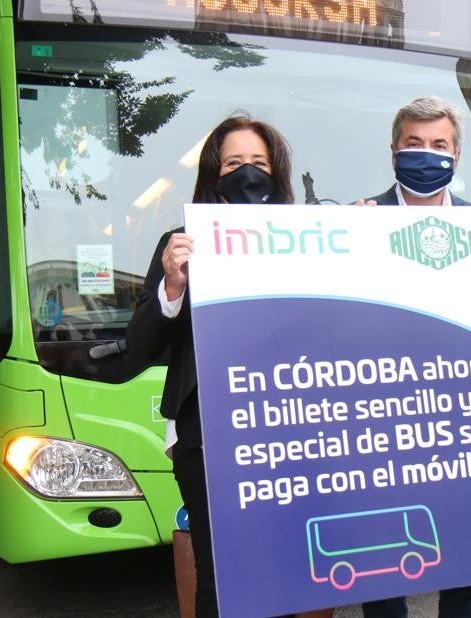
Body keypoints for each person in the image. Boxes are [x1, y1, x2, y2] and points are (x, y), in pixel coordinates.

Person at [126, 114, 295, 618]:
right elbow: (140, 347)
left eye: (259, 163)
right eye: (235, 162)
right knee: (219, 574)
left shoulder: (302, 236)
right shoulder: (181, 244)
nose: (248, 173)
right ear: (213, 174)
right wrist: (171, 288)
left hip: (292, 431)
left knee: (284, 566)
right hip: (208, 436)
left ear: (277, 171)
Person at [356, 96, 471, 618]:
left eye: (439, 145)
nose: (427, 155)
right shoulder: (356, 222)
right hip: (385, 418)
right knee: (384, 563)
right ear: (393, 153)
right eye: (414, 144)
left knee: (467, 562)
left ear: (457, 156)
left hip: (462, 415)